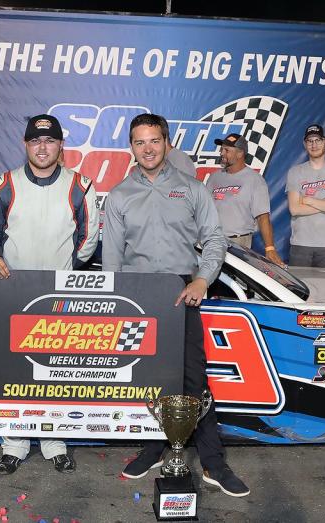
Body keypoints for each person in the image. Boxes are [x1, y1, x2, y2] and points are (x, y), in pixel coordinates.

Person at [103, 113, 249, 497]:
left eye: (154, 140)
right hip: (138, 299)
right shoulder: (119, 195)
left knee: (193, 382)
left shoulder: (192, 188)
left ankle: (214, 464)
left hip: (184, 293)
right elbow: (112, 259)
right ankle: (153, 449)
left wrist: (203, 278)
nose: (148, 148)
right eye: (139, 142)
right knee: (147, 381)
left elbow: (215, 239)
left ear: (167, 142)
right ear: (131, 147)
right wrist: (116, 304)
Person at [0, 114, 99, 475]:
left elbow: (89, 237)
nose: (42, 147)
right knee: (15, 369)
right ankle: (13, 443)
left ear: (61, 145)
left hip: (60, 294)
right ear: (25, 145)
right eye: (35, 141)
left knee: (56, 371)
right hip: (13, 294)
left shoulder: (81, 184)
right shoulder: (4, 184)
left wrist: (65, 272)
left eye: (49, 141)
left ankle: (54, 442)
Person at [206, 132, 284, 266]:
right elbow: (204, 210)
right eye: (221, 149)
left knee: (236, 284)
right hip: (212, 241)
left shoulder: (254, 180)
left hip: (239, 243)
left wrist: (270, 248)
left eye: (226, 150)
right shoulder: (214, 177)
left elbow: (262, 217)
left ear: (240, 153)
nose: (221, 153)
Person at [286, 124, 325, 268]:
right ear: (305, 144)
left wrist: (308, 200)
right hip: (300, 244)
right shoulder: (295, 172)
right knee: (299, 290)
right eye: (310, 141)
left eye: (318, 140)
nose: (314, 144)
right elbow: (295, 209)